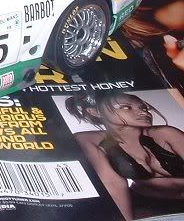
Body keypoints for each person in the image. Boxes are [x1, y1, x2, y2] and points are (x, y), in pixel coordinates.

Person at [66, 91, 184, 220]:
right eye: (126, 107)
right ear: (96, 112)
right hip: (146, 206)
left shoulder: (165, 133)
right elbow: (111, 183)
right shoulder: (89, 139)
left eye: (144, 108)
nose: (143, 112)